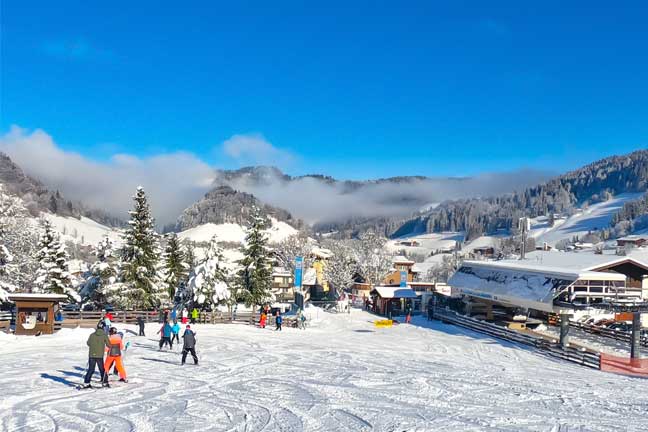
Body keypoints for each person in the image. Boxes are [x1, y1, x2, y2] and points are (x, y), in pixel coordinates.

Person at [82, 323, 111, 388]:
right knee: (102, 370)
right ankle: (105, 382)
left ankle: (86, 383)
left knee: (91, 369)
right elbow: (109, 345)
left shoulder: (92, 335)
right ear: (103, 327)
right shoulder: (104, 335)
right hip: (99, 355)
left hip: (92, 354)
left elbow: (88, 343)